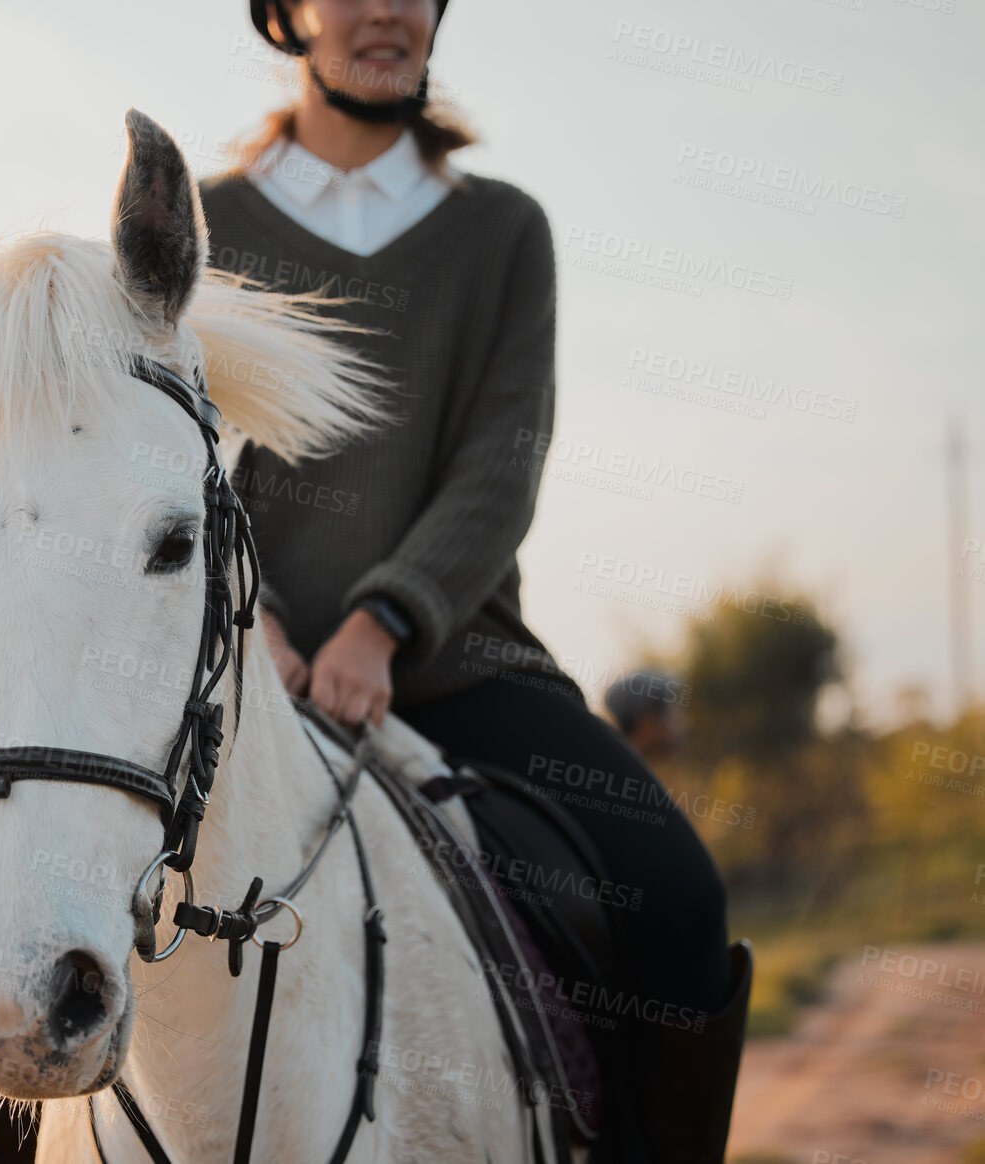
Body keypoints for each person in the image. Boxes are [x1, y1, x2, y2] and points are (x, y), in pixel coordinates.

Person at [200, 4, 750, 1161]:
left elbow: (503, 461)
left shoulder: (501, 228)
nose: (387, 8)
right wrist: (262, 628)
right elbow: (185, 460)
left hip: (456, 664)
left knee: (678, 899)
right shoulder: (200, 226)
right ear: (286, 15)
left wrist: (380, 622)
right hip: (241, 675)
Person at [606, 669, 686, 762]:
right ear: (647, 720)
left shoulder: (616, 764)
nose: (681, 719)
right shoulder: (627, 771)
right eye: (673, 708)